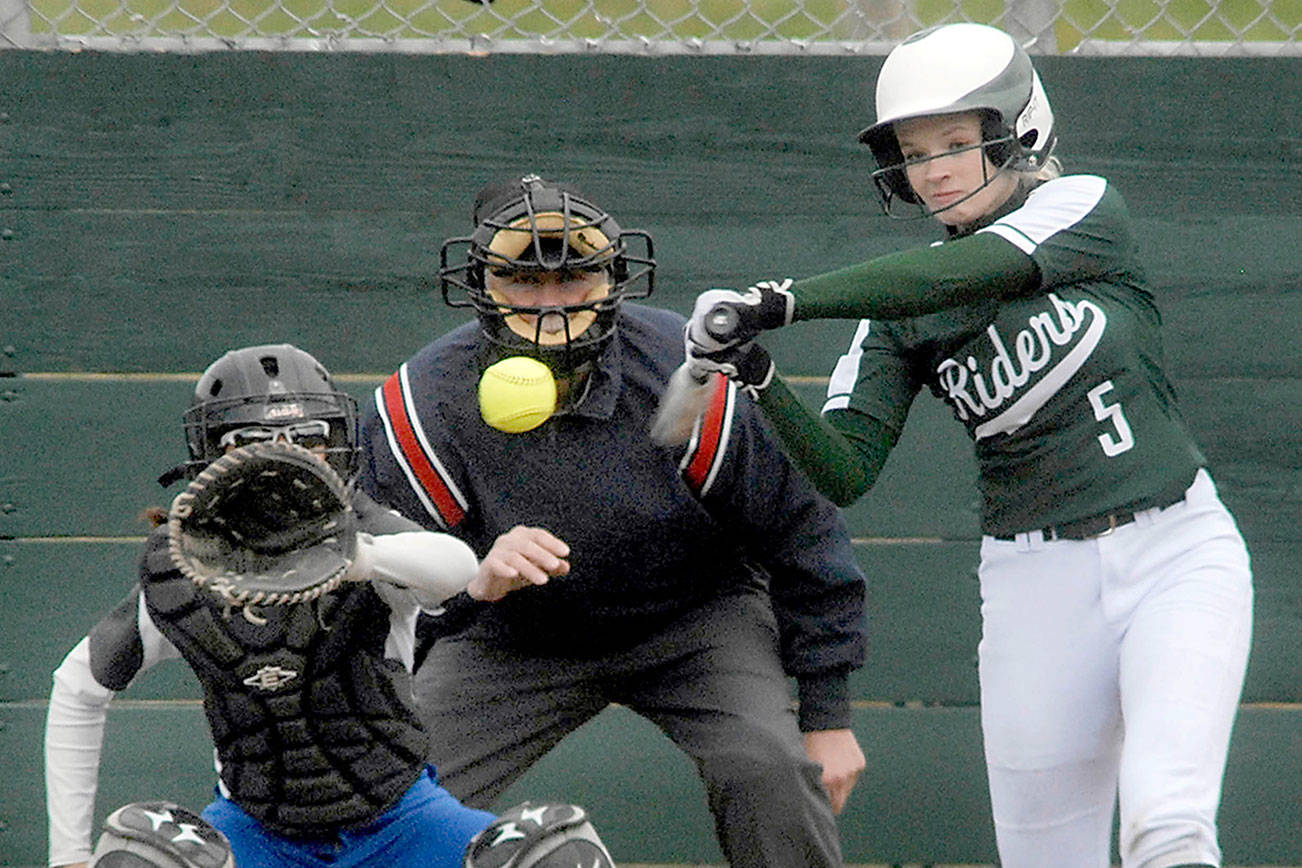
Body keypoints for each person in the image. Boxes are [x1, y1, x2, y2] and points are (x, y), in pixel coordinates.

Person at [680, 22, 1254, 868]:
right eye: (914, 153)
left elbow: (959, 274)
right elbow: (845, 469)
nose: (936, 167)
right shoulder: (893, 312)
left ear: (1022, 133)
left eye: (959, 140)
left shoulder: (1083, 208)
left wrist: (783, 301)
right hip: (1034, 587)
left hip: (1176, 551)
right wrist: (759, 373)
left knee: (1166, 825)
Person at [356, 174, 869, 867]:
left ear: (612, 278)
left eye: (572, 277)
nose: (550, 302)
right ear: (482, 284)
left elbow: (801, 531)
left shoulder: (690, 374)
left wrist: (828, 715)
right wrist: (476, 578)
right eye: (522, 280)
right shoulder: (422, 406)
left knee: (769, 769)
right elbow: (390, 600)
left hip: (694, 621)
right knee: (386, 793)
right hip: (509, 638)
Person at [44, 343, 581, 868]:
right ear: (211, 452)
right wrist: (67, 855)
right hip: (253, 830)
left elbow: (455, 567)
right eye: (250, 439)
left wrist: (355, 559)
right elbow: (78, 687)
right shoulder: (187, 565)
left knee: (557, 851)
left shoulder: (366, 533)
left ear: (337, 443)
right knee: (138, 853)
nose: (284, 454)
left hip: (403, 821)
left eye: (307, 437)